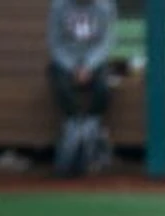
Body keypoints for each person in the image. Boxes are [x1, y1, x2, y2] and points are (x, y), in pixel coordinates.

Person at [46, 0, 116, 176]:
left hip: (95, 61)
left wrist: (89, 66)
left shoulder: (105, 6)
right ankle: (74, 123)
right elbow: (55, 42)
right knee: (59, 82)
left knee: (105, 86)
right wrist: (72, 67)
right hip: (65, 60)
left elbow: (106, 41)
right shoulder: (58, 6)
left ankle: (90, 126)